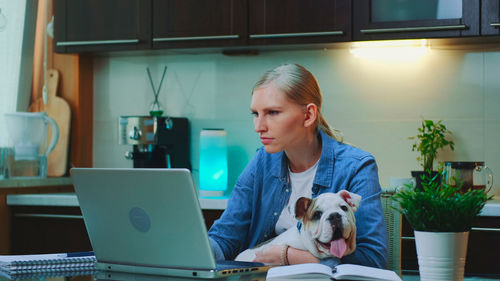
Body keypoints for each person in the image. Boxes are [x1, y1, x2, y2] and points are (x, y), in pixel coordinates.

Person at [208, 64, 388, 269]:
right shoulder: (261, 163)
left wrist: (289, 256)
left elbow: (373, 261)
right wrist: (191, 250)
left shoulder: (357, 167)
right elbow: (225, 238)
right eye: (255, 114)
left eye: (272, 112)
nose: (259, 126)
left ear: (308, 115)